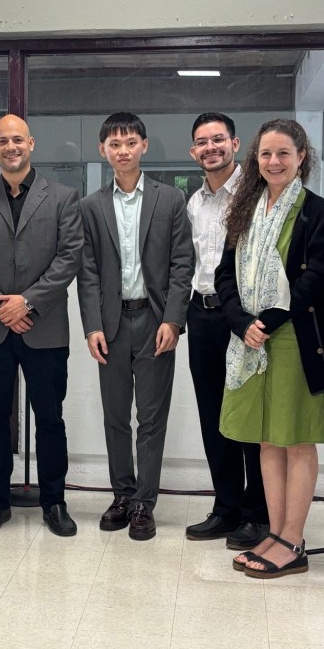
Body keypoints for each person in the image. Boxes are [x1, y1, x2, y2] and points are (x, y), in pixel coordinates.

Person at [214, 118, 324, 579]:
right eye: (266, 153)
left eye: (284, 153)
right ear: (256, 159)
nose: (274, 161)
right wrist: (241, 322)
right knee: (267, 439)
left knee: (296, 439)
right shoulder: (246, 208)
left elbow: (317, 276)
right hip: (250, 341)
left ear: (301, 157)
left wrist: (266, 321)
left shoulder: (316, 211)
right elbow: (224, 274)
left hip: (292, 340)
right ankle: (276, 530)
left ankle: (294, 540)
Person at [0, 114, 83, 536]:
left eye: (18, 140)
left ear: (31, 144)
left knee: (50, 418)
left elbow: (69, 257)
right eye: (2, 141)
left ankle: (54, 502)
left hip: (44, 328)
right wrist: (1, 308)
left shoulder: (63, 197)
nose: (11, 147)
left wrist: (27, 302)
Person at [77, 112, 193, 540]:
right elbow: (87, 271)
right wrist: (91, 325)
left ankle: (145, 502)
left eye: (130, 143)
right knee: (115, 416)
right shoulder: (91, 206)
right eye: (114, 144)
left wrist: (174, 320)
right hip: (110, 324)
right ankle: (122, 495)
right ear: (102, 150)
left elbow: (182, 264)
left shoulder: (170, 199)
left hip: (154, 321)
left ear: (143, 145)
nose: (123, 151)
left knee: (151, 417)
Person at [185, 113, 270, 550]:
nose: (211, 148)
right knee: (212, 415)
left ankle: (258, 513)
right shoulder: (194, 202)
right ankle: (226, 506)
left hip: (245, 319)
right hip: (202, 316)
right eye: (202, 142)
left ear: (235, 144)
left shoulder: (257, 195)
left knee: (249, 416)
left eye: (218, 139)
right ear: (193, 152)